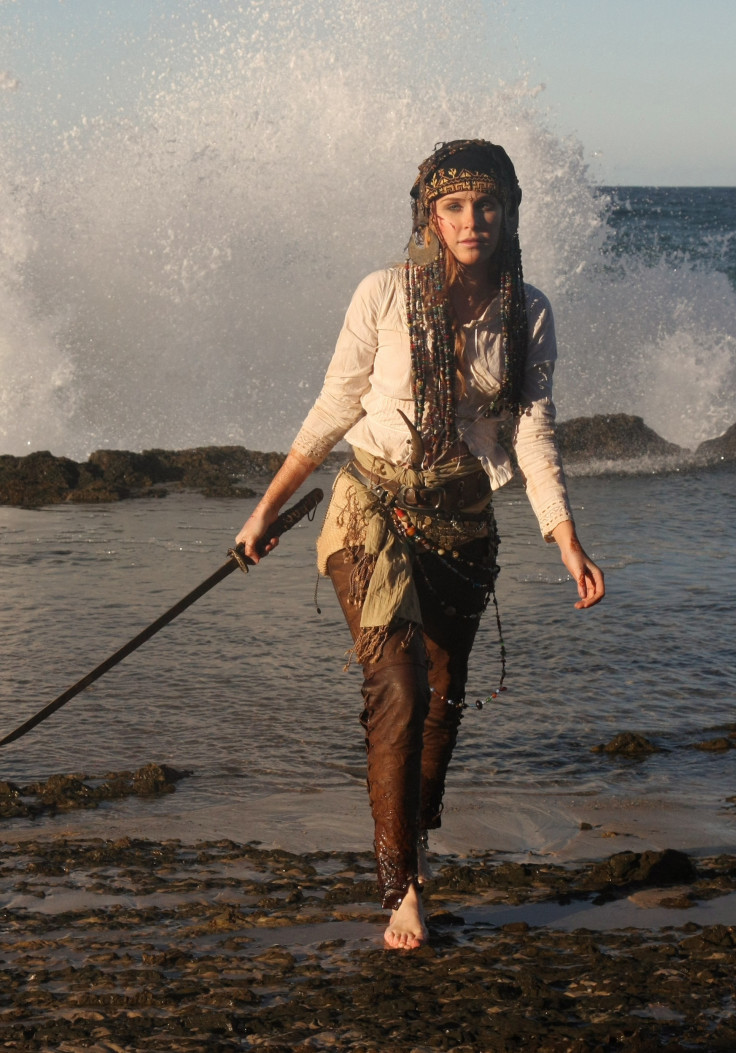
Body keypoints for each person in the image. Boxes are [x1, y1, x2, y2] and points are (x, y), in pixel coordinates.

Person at [234, 139, 605, 950]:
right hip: (371, 506)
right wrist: (266, 509)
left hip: (465, 523)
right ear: (427, 217)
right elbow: (335, 407)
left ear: (508, 213)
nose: (471, 221)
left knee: (441, 698)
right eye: (453, 207)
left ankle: (414, 837)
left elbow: (534, 435)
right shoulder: (383, 294)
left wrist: (566, 541)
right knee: (397, 686)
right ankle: (399, 887)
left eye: (487, 206)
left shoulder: (527, 311)